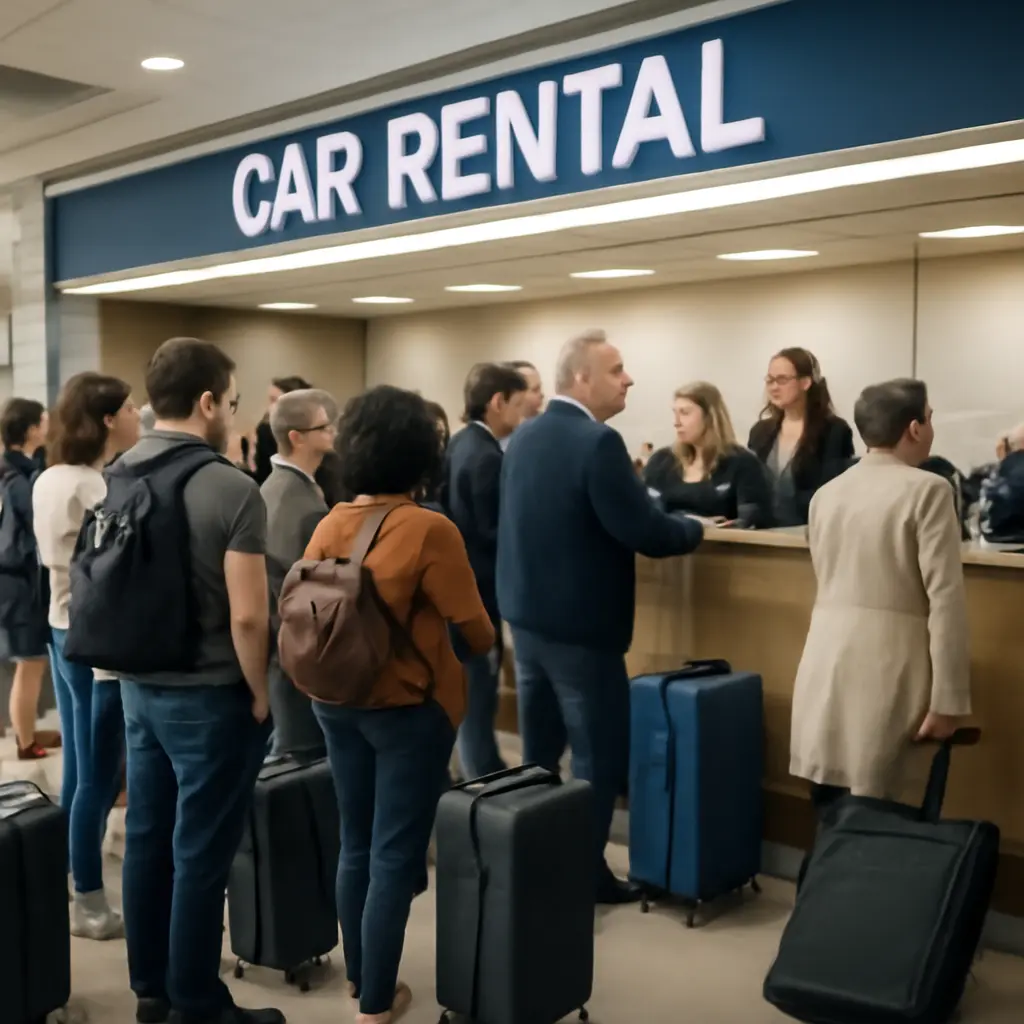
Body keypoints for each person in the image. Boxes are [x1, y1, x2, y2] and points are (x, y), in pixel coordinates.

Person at [303, 385, 494, 1024]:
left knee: (356, 841)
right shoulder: (428, 528)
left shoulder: (330, 521)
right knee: (393, 853)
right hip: (409, 708)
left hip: (335, 699)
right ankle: (378, 1005)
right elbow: (476, 631)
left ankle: (362, 980)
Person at [497, 329, 704, 904]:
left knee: (539, 756)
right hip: (582, 632)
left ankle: (533, 860)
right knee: (597, 756)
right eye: (616, 370)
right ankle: (580, 877)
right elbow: (644, 530)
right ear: (581, 378)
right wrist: (694, 530)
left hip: (527, 623)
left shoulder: (524, 435)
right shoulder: (596, 443)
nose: (629, 379)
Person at [117, 338, 280, 1024]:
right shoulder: (232, 487)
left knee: (148, 839)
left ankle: (152, 991)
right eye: (233, 402)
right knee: (201, 854)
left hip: (138, 687)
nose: (233, 415)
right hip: (210, 695)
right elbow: (249, 616)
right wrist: (261, 692)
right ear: (209, 402)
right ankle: (199, 1003)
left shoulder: (119, 470)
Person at [790, 378, 971, 815]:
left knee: (831, 808)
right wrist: (949, 698)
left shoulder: (826, 494)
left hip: (824, 664)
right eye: (930, 418)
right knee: (885, 817)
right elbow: (945, 601)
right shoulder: (929, 490)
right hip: (892, 668)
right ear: (914, 428)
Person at [33, 372, 140, 939]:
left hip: (61, 627)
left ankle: (73, 877)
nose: (138, 416)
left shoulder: (50, 477)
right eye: (130, 408)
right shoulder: (96, 486)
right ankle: (89, 901)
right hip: (97, 640)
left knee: (80, 768)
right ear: (106, 419)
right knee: (97, 774)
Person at [441, 363, 528, 778]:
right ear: (497, 402)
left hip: (456, 586)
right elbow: (495, 530)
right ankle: (485, 778)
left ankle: (474, 769)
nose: (524, 412)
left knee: (467, 691)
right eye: (519, 403)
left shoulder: (459, 443)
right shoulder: (488, 456)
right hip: (481, 589)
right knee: (478, 691)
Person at [261, 388, 337, 762]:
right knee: (300, 765)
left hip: (279, 656)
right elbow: (309, 598)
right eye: (324, 427)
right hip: (297, 662)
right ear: (297, 437)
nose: (333, 432)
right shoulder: (302, 505)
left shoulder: (273, 486)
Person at [0, 397, 58, 760]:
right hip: (18, 582)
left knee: (31, 661)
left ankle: (28, 732)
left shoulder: (12, 469)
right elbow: (35, 521)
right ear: (32, 428)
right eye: (44, 421)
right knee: (30, 662)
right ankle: (25, 742)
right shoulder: (17, 478)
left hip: (14, 581)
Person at [747, 347, 855, 526]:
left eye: (782, 380)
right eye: (770, 380)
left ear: (805, 383)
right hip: (763, 531)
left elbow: (831, 491)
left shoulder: (834, 430)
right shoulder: (760, 431)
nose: (774, 387)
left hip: (809, 529)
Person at [644, 382, 774, 528]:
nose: (676, 422)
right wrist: (690, 522)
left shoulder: (742, 462)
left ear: (710, 417)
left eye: (685, 413)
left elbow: (753, 521)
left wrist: (711, 527)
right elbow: (645, 514)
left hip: (723, 542)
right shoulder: (661, 461)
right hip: (668, 541)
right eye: (675, 413)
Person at [253, 375, 312, 484]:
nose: (268, 407)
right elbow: (263, 477)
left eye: (274, 400)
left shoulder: (312, 434)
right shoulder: (265, 431)